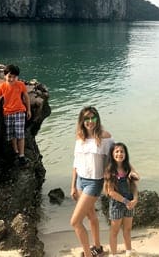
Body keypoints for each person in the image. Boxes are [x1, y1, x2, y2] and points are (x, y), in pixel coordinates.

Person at [70, 106, 114, 257]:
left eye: (92, 118)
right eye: (86, 119)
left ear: (97, 119)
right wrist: (73, 186)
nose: (90, 121)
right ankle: (98, 248)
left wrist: (115, 177)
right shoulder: (79, 137)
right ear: (82, 121)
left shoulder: (105, 137)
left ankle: (88, 254)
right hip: (80, 181)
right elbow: (75, 163)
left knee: (75, 222)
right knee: (91, 217)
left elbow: (115, 158)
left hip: (94, 183)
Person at [0, 64, 32, 165]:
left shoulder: (20, 85)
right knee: (12, 134)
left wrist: (29, 110)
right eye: (9, 76)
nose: (12, 79)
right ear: (5, 76)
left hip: (19, 112)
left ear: (18, 77)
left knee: (20, 135)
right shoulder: (2, 87)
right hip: (7, 113)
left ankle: (21, 155)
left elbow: (26, 97)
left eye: (14, 77)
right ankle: (15, 152)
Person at [104, 143, 139, 257]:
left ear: (125, 154)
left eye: (122, 151)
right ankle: (114, 254)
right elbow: (111, 192)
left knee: (128, 229)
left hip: (130, 203)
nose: (120, 154)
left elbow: (135, 184)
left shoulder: (128, 167)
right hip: (117, 204)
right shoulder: (110, 170)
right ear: (112, 154)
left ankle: (128, 251)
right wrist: (125, 201)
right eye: (117, 151)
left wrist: (135, 200)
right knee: (115, 231)